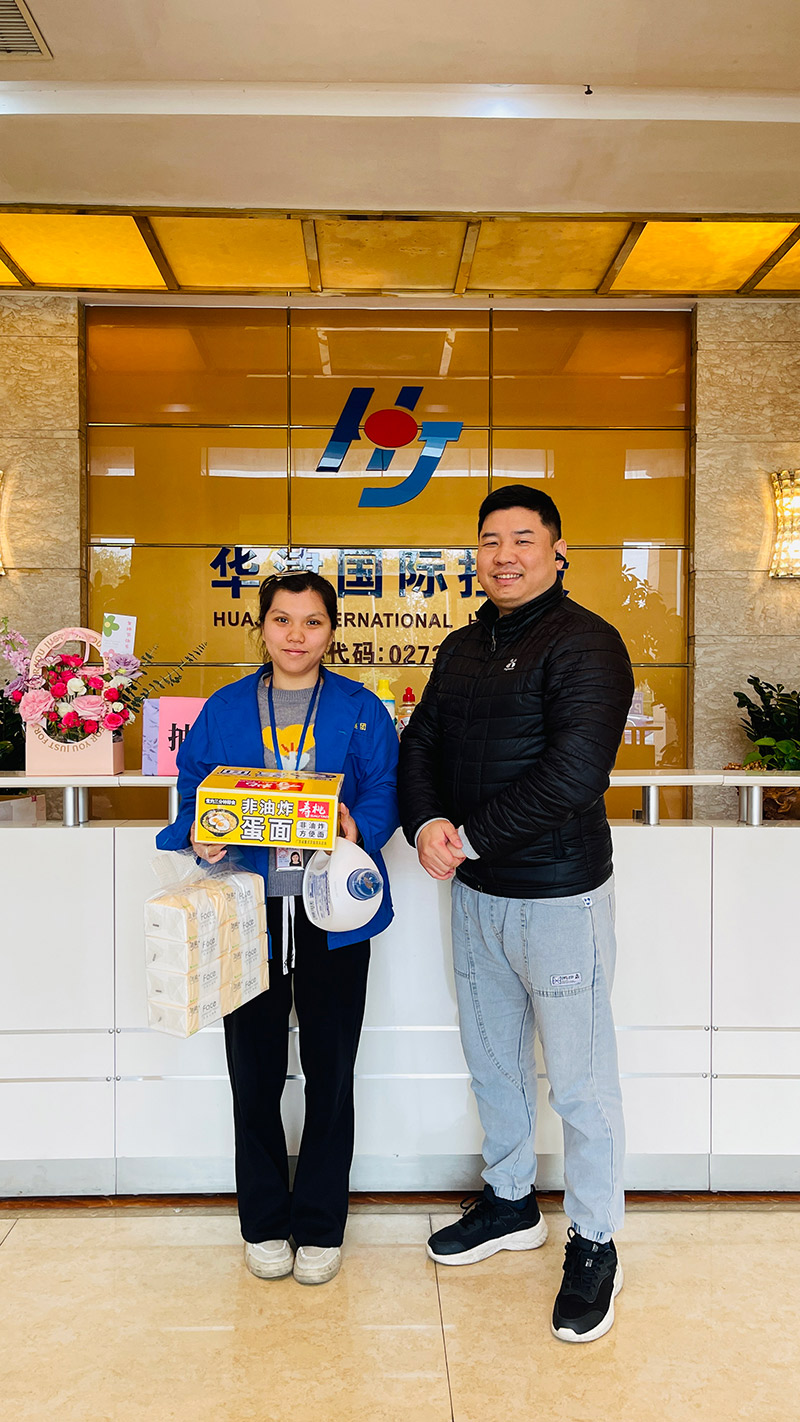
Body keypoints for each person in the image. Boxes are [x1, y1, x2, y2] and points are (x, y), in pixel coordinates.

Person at [398, 485, 634, 1343]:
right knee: (494, 1062)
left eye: (523, 539)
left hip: (560, 896)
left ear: (558, 551)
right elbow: (420, 744)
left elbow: (575, 774)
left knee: (580, 1083)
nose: (504, 555)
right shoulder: (463, 646)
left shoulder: (586, 643)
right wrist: (425, 823)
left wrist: (466, 837)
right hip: (476, 896)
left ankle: (596, 1240)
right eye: (490, 540)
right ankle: (509, 1203)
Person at [156, 572, 399, 1286]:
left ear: (332, 631)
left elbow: (386, 788)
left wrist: (360, 825)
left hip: (333, 916)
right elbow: (194, 789)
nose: (296, 635)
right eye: (283, 620)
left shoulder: (361, 708)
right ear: (261, 627)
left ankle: (321, 1226)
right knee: (254, 1072)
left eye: (312, 621)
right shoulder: (227, 707)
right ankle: (263, 1222)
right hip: (248, 913)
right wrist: (200, 834)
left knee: (331, 1071)